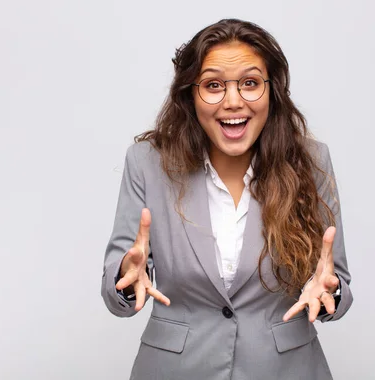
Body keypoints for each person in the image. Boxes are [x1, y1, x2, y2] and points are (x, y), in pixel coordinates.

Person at [101, 18, 353, 380]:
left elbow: (336, 283)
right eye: (213, 85)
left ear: (272, 91)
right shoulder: (146, 163)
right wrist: (125, 275)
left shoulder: (311, 163)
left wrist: (332, 292)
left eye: (250, 83)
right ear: (190, 93)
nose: (233, 102)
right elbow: (116, 293)